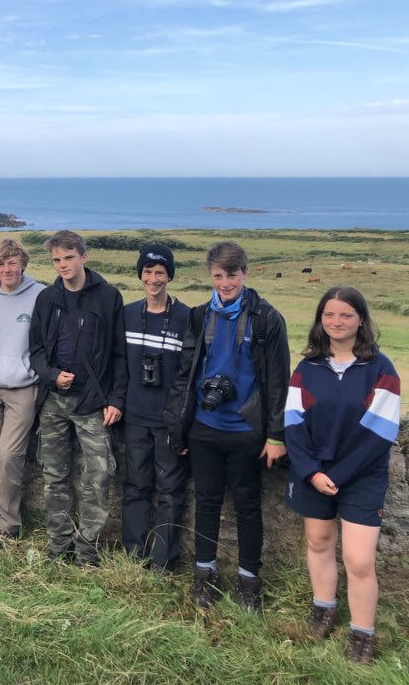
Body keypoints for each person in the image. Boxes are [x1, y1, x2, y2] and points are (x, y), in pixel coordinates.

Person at [164, 240, 289, 612]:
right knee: (206, 501)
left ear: (245, 274)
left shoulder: (267, 318)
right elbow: (186, 374)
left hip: (247, 430)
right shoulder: (200, 316)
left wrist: (275, 435)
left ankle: (249, 581)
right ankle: (205, 575)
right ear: (210, 275)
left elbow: (279, 380)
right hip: (204, 426)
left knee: (249, 506)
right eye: (218, 276)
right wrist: (180, 425)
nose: (225, 283)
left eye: (232, 275)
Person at [284, 286, 400, 663]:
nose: (336, 322)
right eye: (329, 315)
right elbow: (293, 425)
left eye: (346, 315)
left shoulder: (380, 369)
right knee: (318, 542)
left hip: (362, 476)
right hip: (315, 472)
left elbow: (380, 431)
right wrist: (312, 472)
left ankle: (362, 633)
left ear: (361, 320)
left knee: (359, 560)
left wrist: (341, 474)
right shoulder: (307, 368)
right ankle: (324, 607)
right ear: (320, 319)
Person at [29, 230, 127, 566]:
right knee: (54, 476)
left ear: (84, 257)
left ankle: (88, 552)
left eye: (68, 258)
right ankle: (58, 548)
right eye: (56, 260)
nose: (62, 265)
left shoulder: (108, 297)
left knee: (98, 476)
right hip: (54, 400)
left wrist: (116, 399)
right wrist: (51, 373)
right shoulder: (46, 299)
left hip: (92, 402)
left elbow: (119, 354)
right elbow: (36, 350)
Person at [120, 243, 190, 572]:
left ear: (169, 276)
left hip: (168, 421)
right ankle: (133, 555)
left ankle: (163, 561)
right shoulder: (129, 314)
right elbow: (118, 365)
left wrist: (181, 422)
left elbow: (189, 375)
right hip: (134, 415)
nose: (153, 279)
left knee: (170, 491)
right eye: (147, 272)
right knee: (135, 485)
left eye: (160, 273)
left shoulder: (186, 317)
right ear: (140, 275)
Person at [0, 238, 44, 547]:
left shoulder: (41, 294)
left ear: (23, 263)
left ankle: (8, 525)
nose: (7, 268)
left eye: (12, 262)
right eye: (1, 263)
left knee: (9, 458)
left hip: (23, 388)